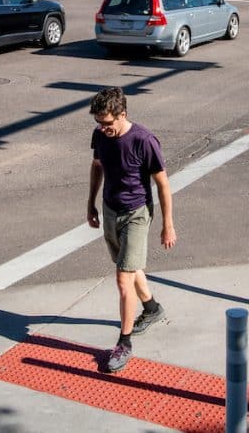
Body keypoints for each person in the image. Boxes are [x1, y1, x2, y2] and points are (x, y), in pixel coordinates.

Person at [87, 87, 176, 373]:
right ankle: (151, 308)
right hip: (111, 209)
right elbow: (97, 166)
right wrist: (91, 203)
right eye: (99, 123)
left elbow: (163, 184)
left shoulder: (144, 140)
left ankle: (123, 343)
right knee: (129, 265)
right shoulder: (100, 135)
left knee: (123, 279)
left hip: (136, 214)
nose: (103, 128)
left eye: (108, 123)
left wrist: (167, 225)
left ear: (123, 114)